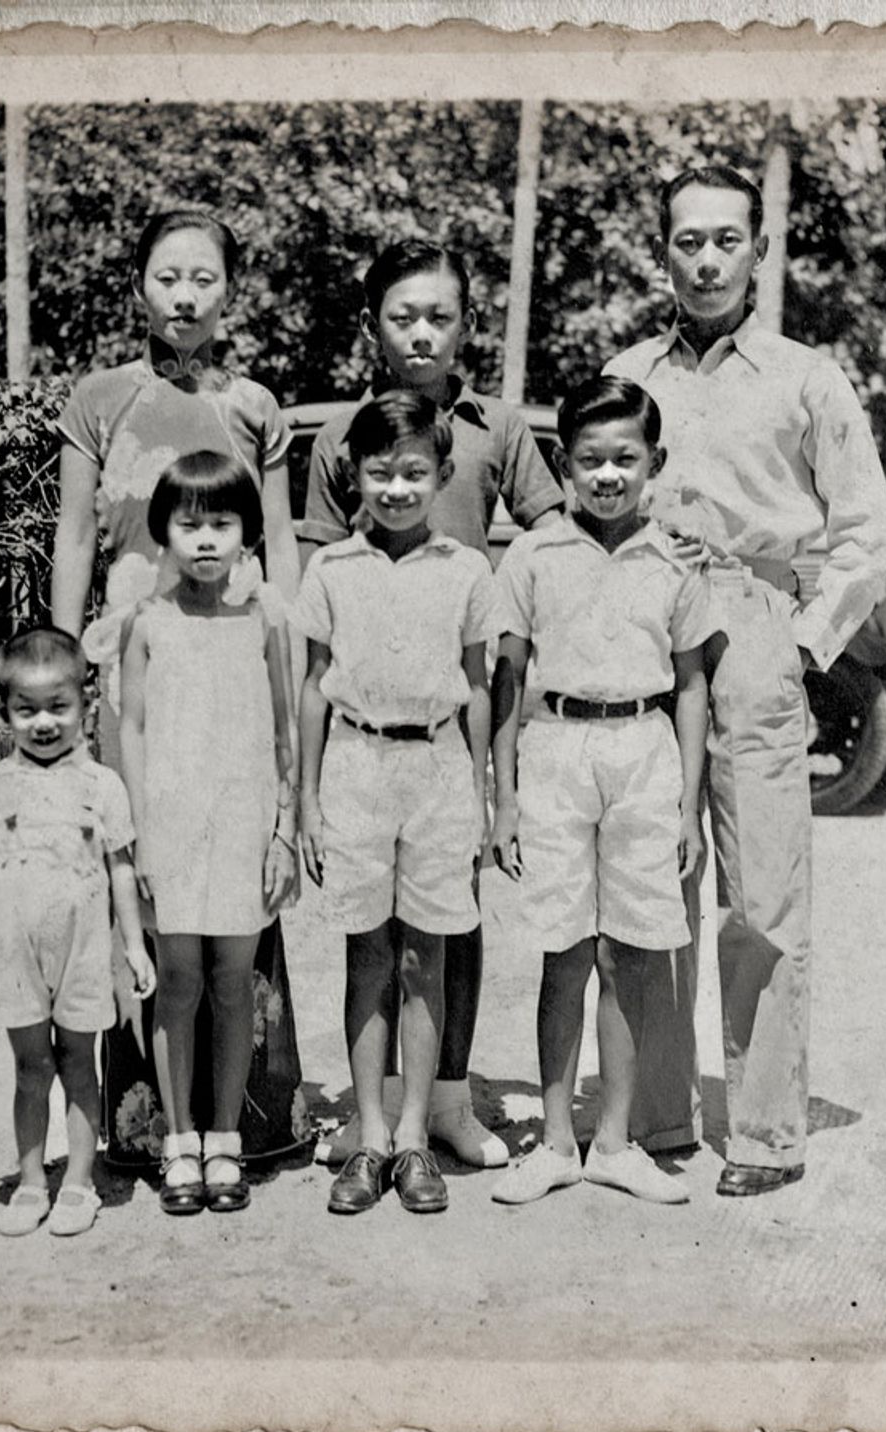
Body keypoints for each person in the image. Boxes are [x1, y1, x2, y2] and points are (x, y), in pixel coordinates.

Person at [605, 164, 886, 1196]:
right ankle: (656, 1118)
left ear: (760, 253)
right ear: (664, 251)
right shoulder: (628, 371)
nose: (707, 258)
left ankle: (768, 1132)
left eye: (728, 239)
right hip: (645, 638)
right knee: (651, 886)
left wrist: (806, 641)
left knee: (762, 896)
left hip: (755, 629)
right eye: (689, 240)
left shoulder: (807, 377)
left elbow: (868, 532)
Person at [48, 207, 307, 1164]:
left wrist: (288, 642)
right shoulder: (99, 397)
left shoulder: (256, 406)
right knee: (142, 862)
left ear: (229, 290)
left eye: (204, 277)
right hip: (132, 653)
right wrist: (70, 660)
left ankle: (249, 1119)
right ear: (139, 287)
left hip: (234, 646)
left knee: (236, 879)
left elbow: (276, 540)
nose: (186, 295)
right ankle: (145, 1124)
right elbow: (77, 533)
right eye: (168, 277)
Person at [299, 239, 565, 1170]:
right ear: (373, 323)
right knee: (370, 931)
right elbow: (319, 600)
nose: (422, 332)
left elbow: (553, 534)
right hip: (368, 728)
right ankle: (373, 1116)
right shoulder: (342, 440)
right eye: (402, 315)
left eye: (440, 316)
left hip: (459, 714)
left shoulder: (498, 430)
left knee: (453, 922)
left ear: (465, 326)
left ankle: (445, 1105)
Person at [487, 377, 711, 1206]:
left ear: (655, 462)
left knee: (631, 953)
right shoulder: (533, 555)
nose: (608, 474)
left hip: (645, 752)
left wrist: (686, 804)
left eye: (625, 458)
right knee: (565, 949)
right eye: (590, 460)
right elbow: (506, 676)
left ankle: (614, 1140)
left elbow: (691, 684)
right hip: (557, 751)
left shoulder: (676, 558)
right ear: (563, 463)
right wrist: (504, 797)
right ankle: (553, 1139)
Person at [294, 391, 496, 1215]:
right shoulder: (330, 569)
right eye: (381, 473)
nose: (398, 489)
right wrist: (304, 798)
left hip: (439, 769)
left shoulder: (468, 570)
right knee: (367, 958)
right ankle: (368, 1134)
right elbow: (311, 687)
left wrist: (484, 793)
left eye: (415, 472)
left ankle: (415, 1135)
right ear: (355, 475)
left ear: (443, 474)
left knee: (426, 960)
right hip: (355, 765)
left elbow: (480, 687)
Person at [118, 451, 301, 1215]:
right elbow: (128, 728)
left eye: (221, 524)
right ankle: (179, 1140)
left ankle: (226, 1137)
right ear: (163, 532)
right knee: (177, 986)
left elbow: (286, 733)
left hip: (242, 825)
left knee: (234, 986)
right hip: (170, 828)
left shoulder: (265, 621)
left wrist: (284, 828)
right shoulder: (146, 624)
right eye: (188, 524)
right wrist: (135, 838)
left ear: (247, 536)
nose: (204, 540)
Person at [0, 627, 157, 1237]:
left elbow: (121, 869)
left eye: (58, 707)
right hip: (16, 953)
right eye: (26, 709)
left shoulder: (102, 787)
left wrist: (134, 946)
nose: (44, 723)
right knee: (29, 1067)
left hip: (84, 951)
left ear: (86, 706)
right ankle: (32, 1180)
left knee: (78, 1063)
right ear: (4, 710)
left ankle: (79, 1183)